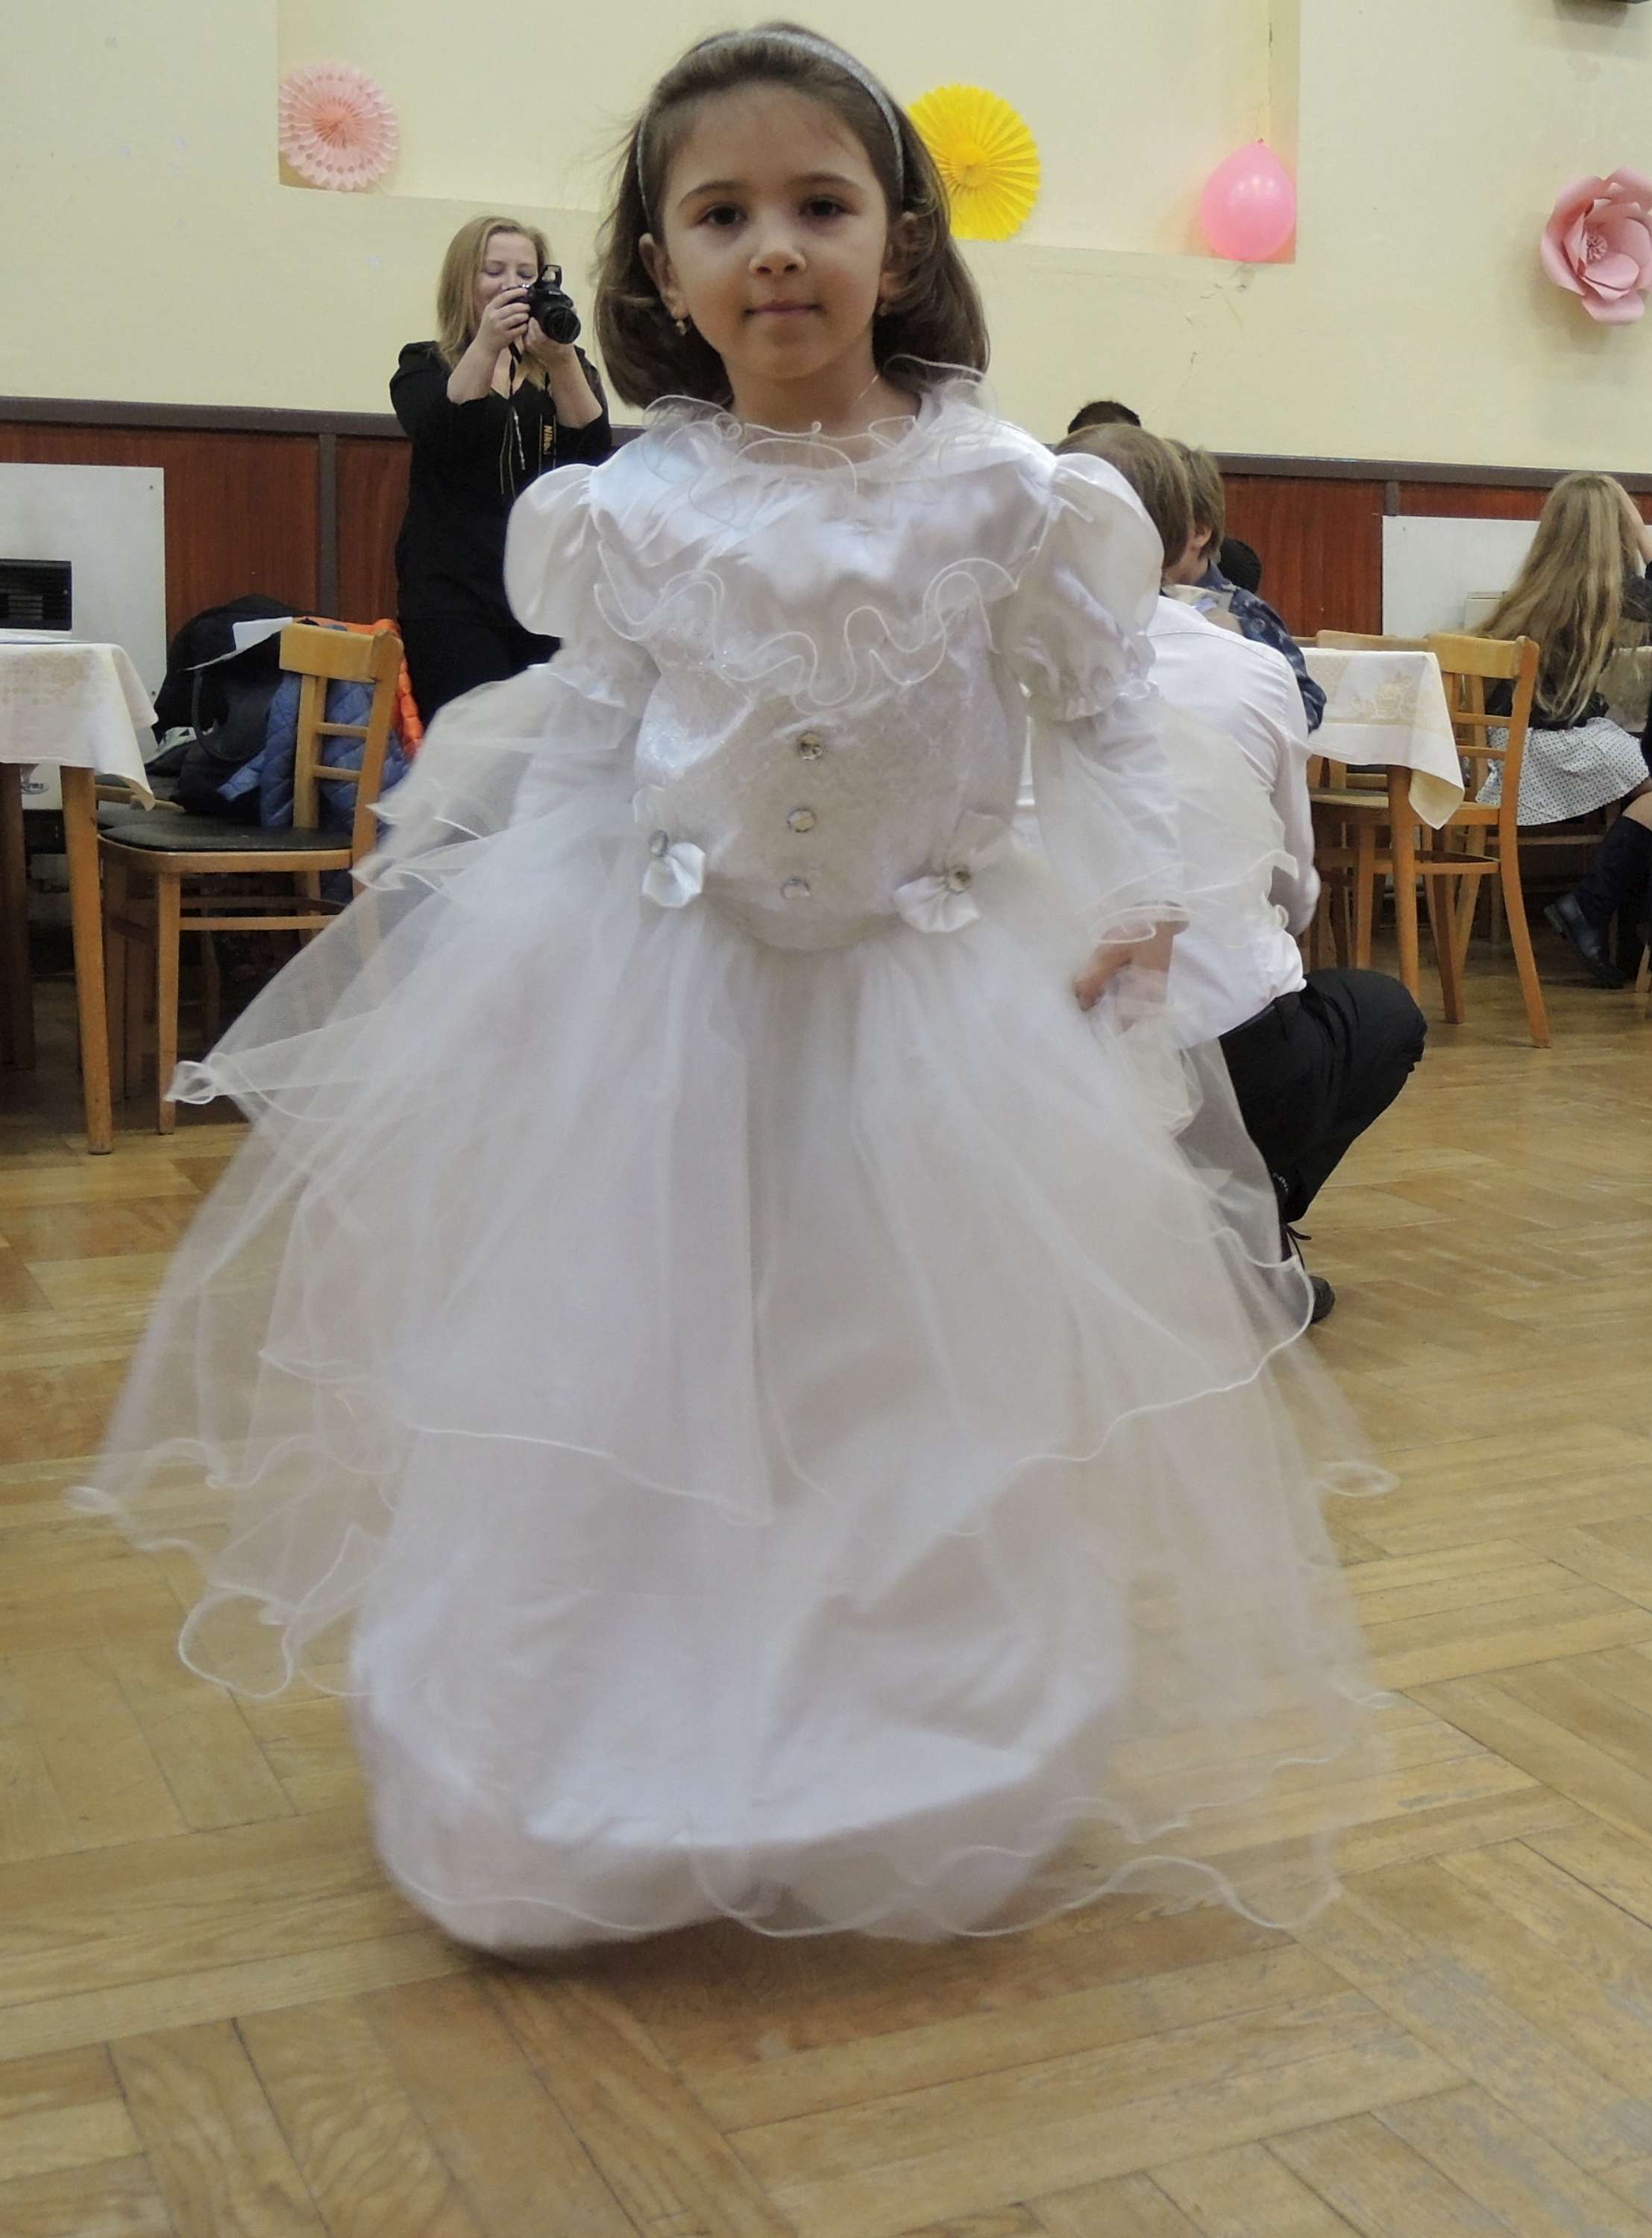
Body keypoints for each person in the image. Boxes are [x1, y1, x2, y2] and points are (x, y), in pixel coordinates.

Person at [80, 22, 1378, 1953]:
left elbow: (1105, 720)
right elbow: (592, 742)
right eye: (723, 214)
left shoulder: (1012, 498)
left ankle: (897, 1739)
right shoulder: (624, 508)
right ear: (659, 266)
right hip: (666, 993)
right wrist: (503, 938)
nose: (775, 246)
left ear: (898, 243)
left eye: (819, 204)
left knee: (894, 1378)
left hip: (925, 1002)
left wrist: (1142, 903)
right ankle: (592, 1753)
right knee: (639, 1357)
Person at [1059, 424, 1426, 1322]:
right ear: (1185, 539)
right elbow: (1291, 886)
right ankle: (1245, 1216)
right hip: (1220, 1041)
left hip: (1035, 1041)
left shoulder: (984, 655)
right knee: (1378, 1013)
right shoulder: (1249, 669)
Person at [1472, 474, 1652, 985]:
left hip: (1507, 742)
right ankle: (1591, 907)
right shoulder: (1602, 590)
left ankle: (1611, 920)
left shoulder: (1537, 587)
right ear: (1610, 532)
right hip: (1547, 746)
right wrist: (1641, 529)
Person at [391, 216, 614, 723]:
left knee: (544, 743)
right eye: (494, 272)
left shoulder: (566, 364)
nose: (512, 285)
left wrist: (561, 362)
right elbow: (439, 434)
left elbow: (592, 454)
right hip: (453, 593)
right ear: (464, 282)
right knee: (471, 737)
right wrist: (487, 345)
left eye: (526, 274)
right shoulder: (425, 365)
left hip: (544, 594)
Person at [1168, 442, 1326, 734]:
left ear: (1199, 532)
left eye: (1153, 528)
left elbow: (1307, 703)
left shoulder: (1244, 612)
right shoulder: (1124, 603)